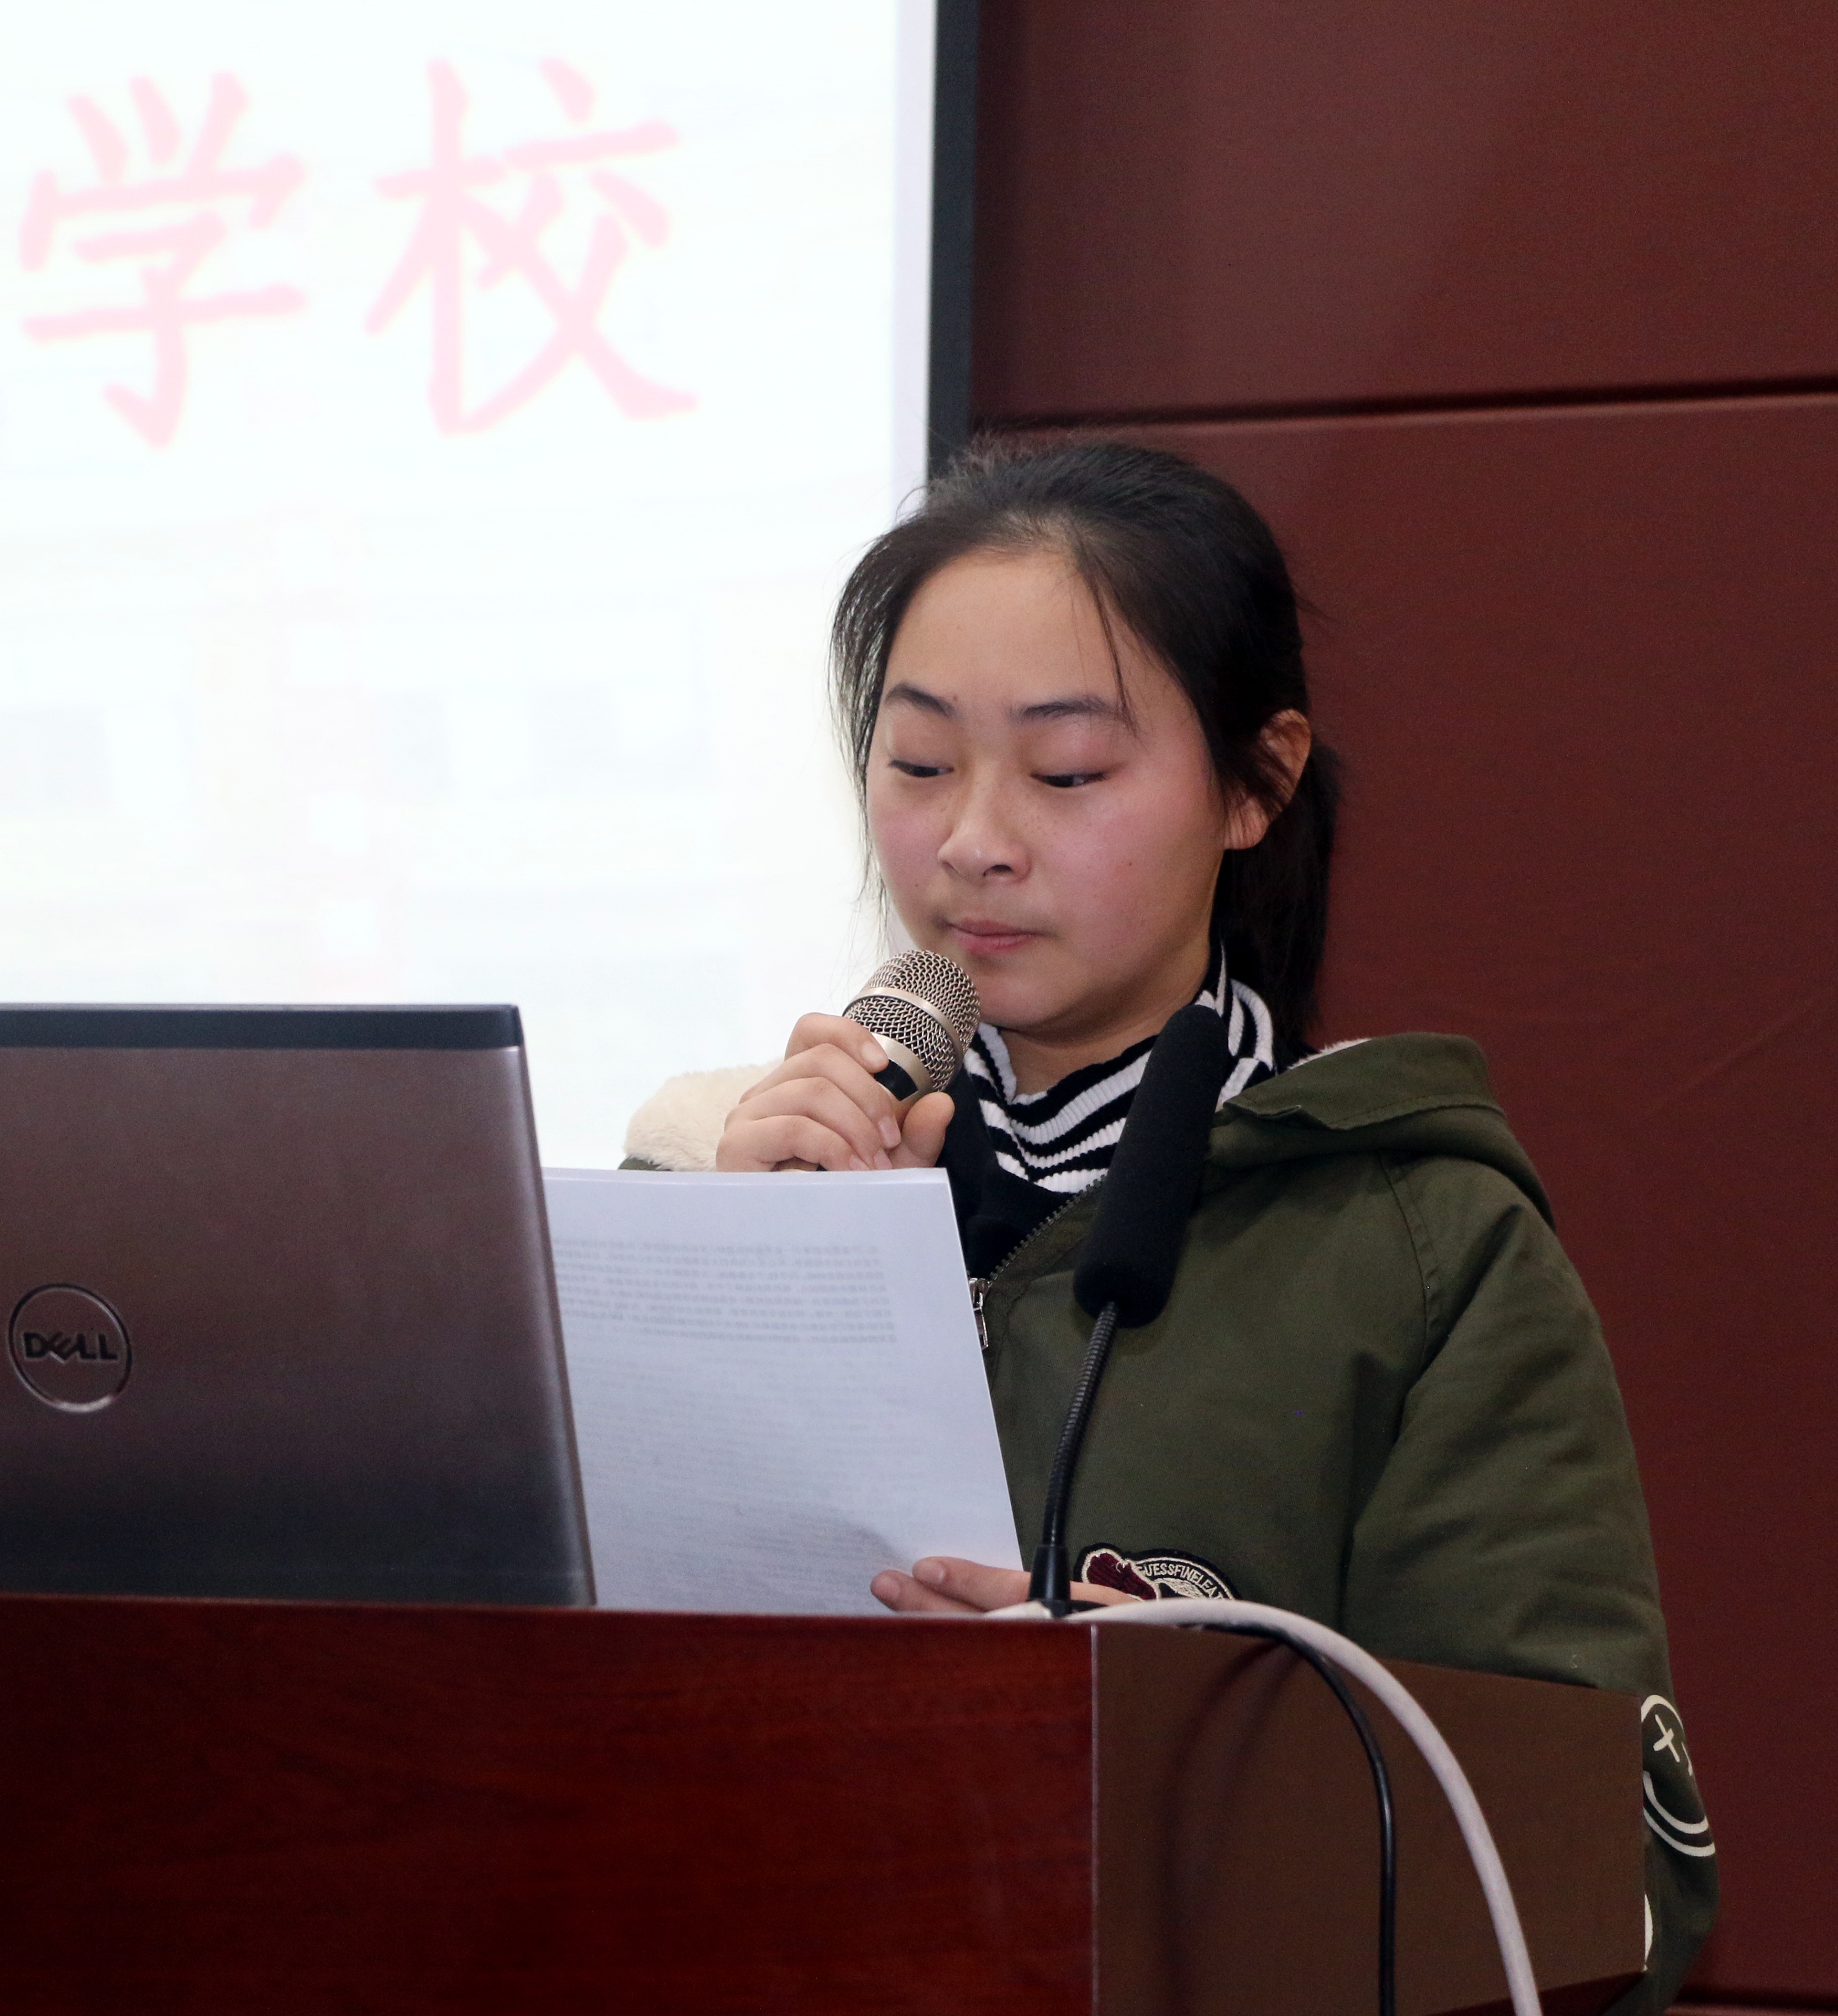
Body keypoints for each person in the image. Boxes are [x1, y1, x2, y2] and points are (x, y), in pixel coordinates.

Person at [619, 442, 1715, 2010]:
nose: (972, 840)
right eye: (918, 764)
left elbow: (1606, 1859)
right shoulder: (715, 1183)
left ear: (1256, 784)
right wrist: (733, 1281)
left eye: (1066, 773)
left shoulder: (1419, 1245)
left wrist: (1173, 1711)